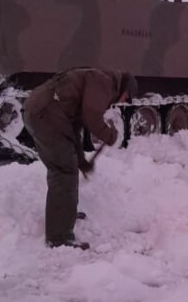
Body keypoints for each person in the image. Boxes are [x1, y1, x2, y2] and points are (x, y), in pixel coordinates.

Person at [22, 68, 138, 250]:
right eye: (127, 98)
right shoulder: (104, 82)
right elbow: (91, 116)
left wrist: (81, 161)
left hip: (44, 113)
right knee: (63, 171)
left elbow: (75, 128)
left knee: (66, 166)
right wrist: (109, 135)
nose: (123, 102)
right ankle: (59, 237)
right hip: (46, 115)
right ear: (125, 89)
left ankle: (64, 214)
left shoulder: (99, 82)